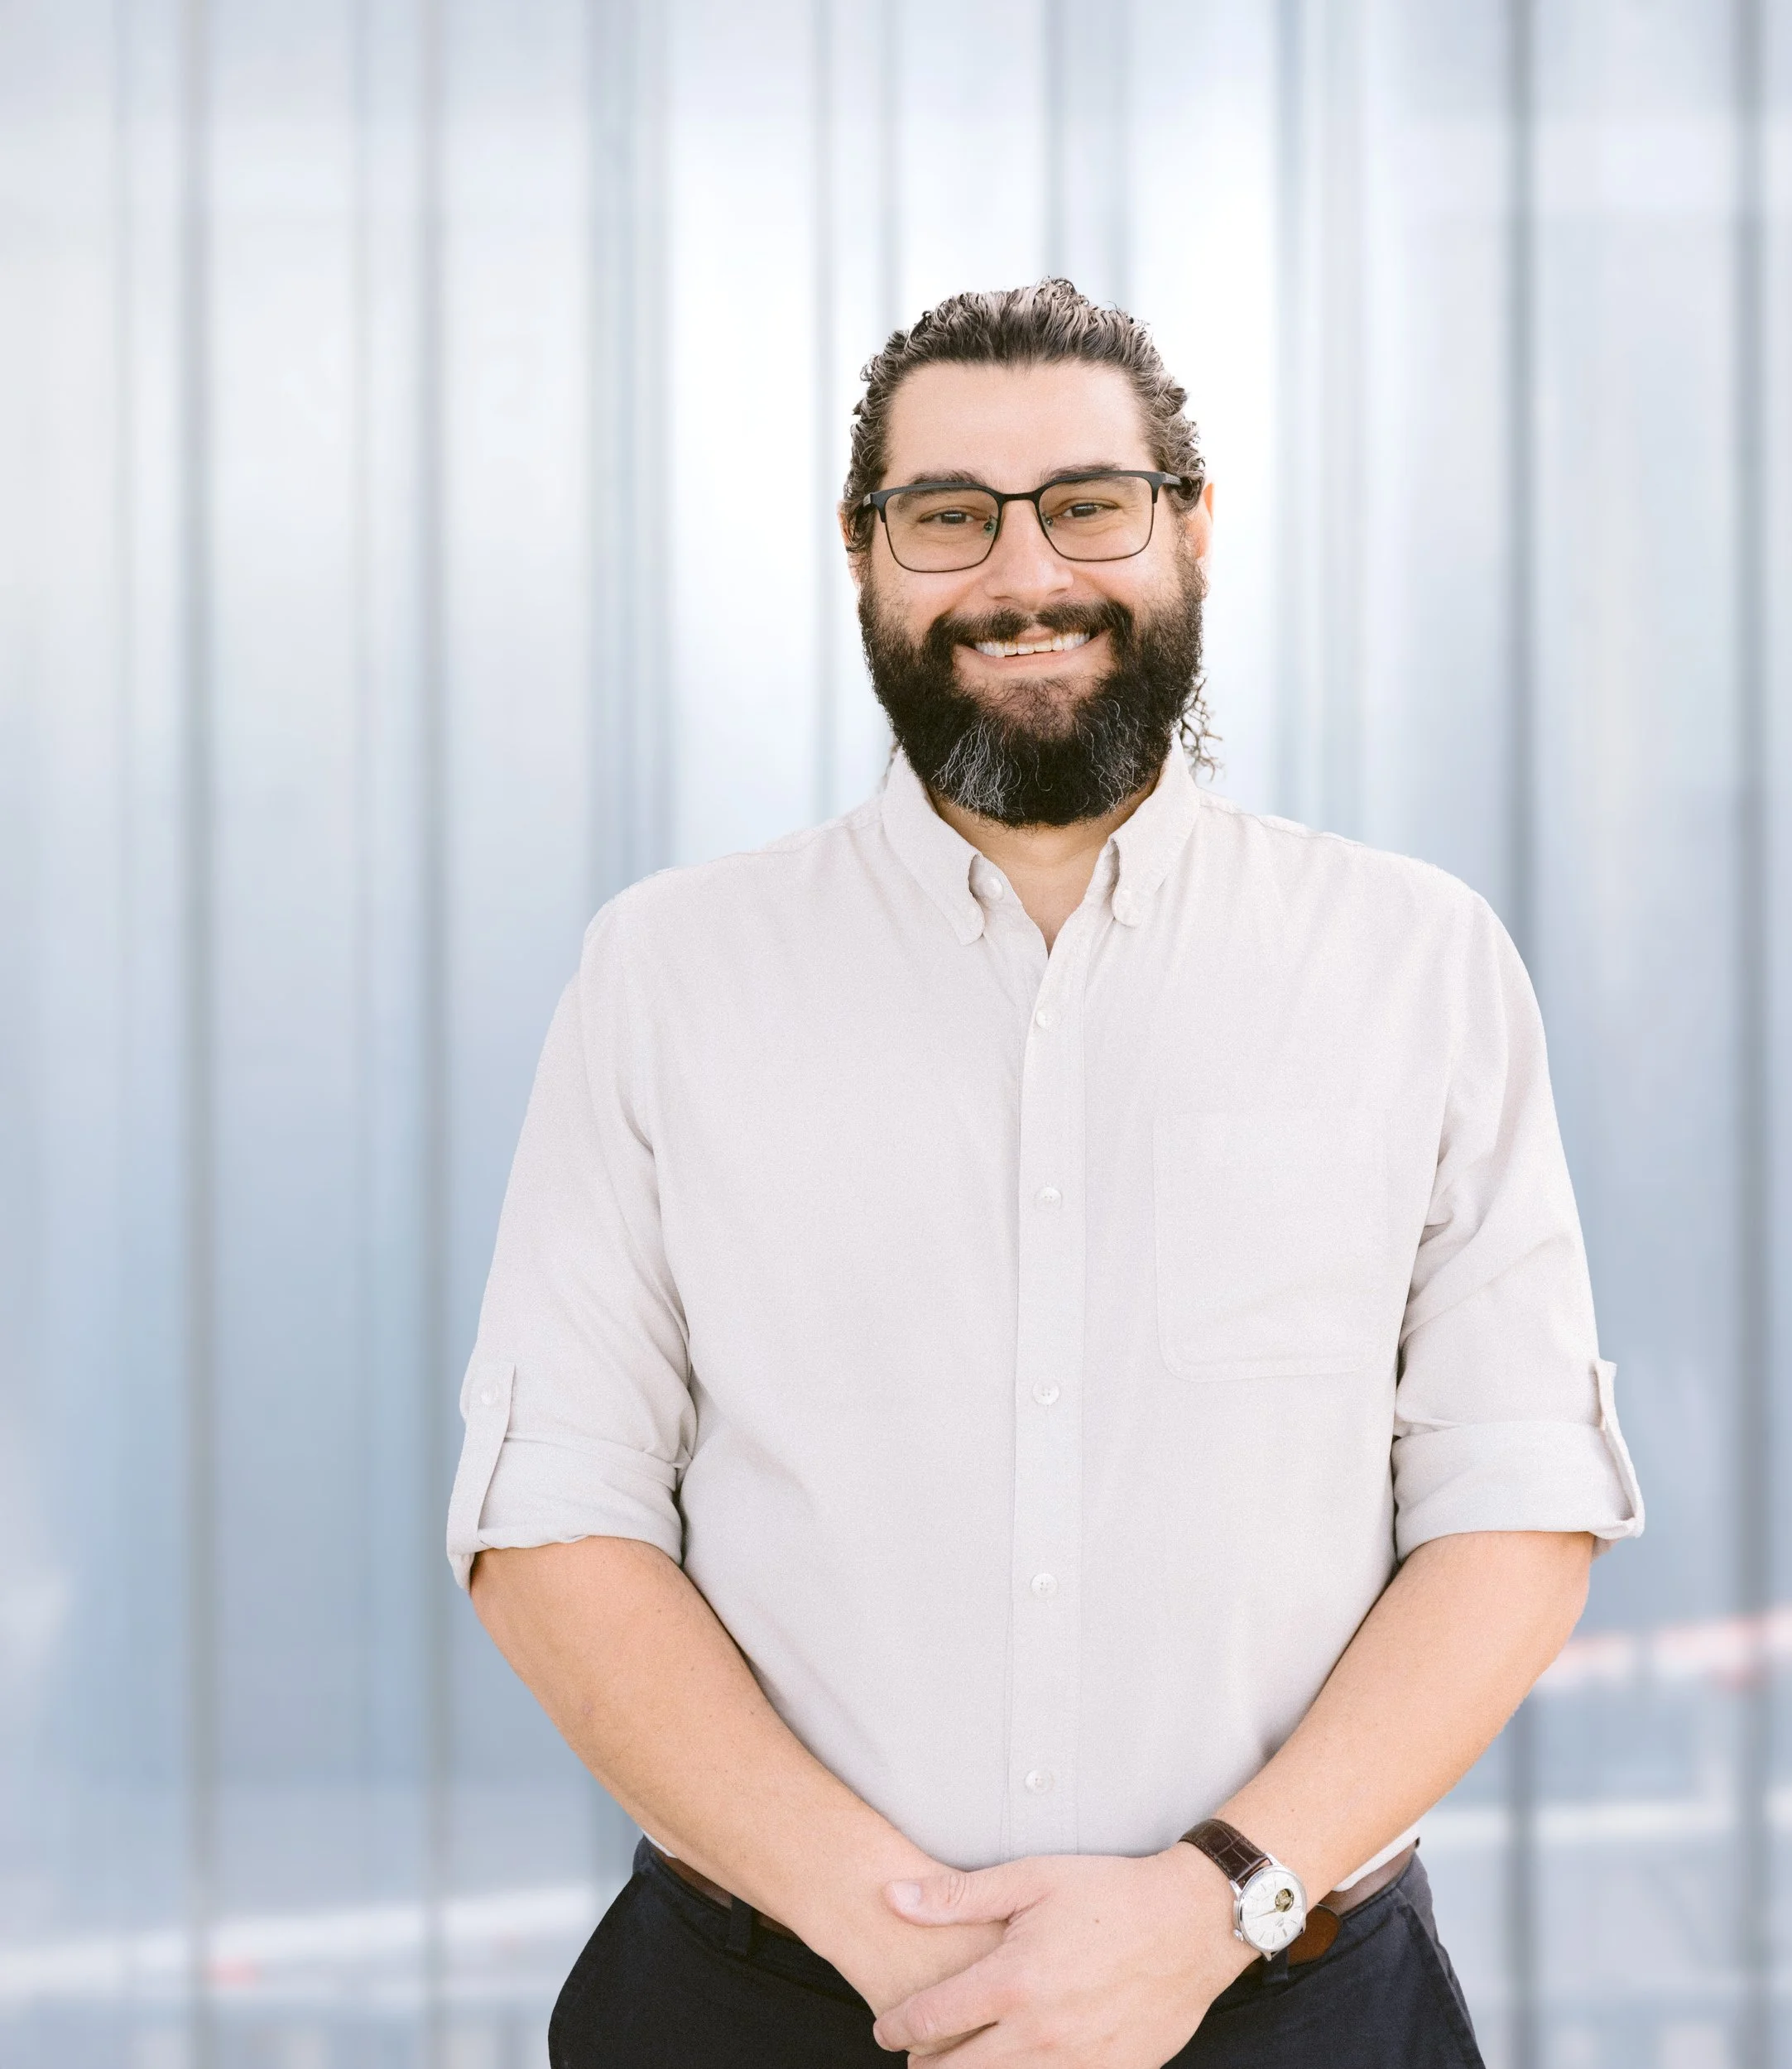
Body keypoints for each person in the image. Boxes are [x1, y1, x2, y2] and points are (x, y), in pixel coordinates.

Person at [447, 278, 1644, 2069]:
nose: (1023, 575)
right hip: (756, 2004)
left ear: (1191, 528)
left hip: (1291, 1995)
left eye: (1088, 502)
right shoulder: (666, 974)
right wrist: (908, 1940)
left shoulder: (1415, 961)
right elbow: (554, 1520)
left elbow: (1513, 1502)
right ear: (862, 554)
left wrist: (1201, 1906)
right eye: (946, 515)